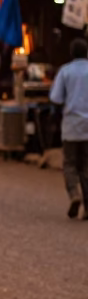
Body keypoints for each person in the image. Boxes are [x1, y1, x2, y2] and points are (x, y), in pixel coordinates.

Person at [49, 37, 88, 219]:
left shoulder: (65, 71)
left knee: (70, 164)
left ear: (71, 53)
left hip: (71, 125)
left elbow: (56, 98)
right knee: (86, 166)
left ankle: (74, 194)